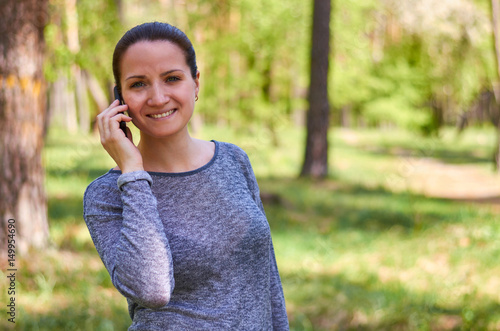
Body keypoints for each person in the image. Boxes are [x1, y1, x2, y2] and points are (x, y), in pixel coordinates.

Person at [83, 22, 289, 330]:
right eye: (138, 84)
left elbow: (267, 277)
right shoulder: (107, 194)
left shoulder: (233, 160)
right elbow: (152, 290)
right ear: (119, 98)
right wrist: (133, 172)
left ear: (195, 83)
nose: (157, 97)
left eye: (172, 78)